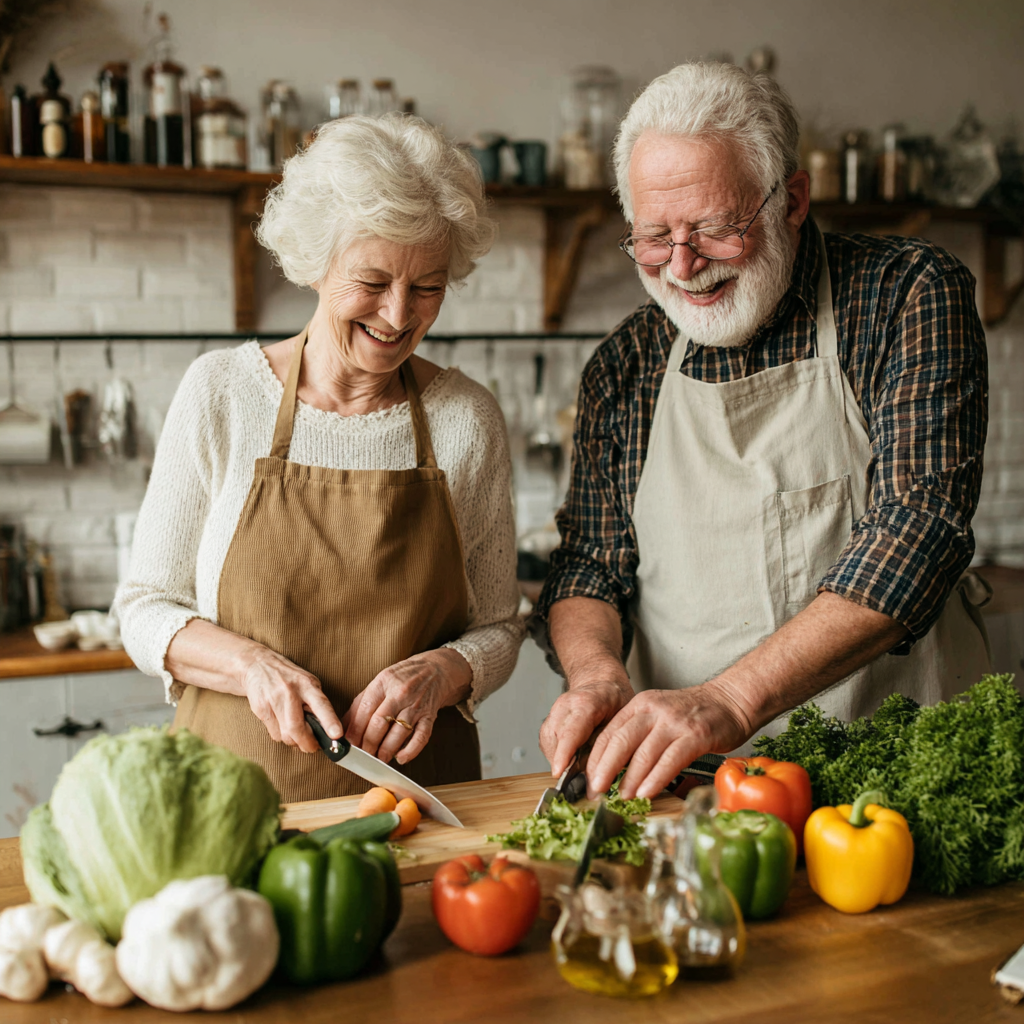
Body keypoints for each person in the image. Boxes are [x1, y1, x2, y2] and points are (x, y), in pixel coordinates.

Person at [535, 62, 990, 801]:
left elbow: (918, 530)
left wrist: (727, 702)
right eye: (653, 237)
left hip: (898, 778)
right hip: (694, 786)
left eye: (713, 230)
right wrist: (596, 676)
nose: (682, 267)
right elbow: (591, 565)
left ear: (792, 200)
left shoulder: (907, 294)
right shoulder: (625, 364)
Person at [115, 113, 524, 802]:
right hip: (236, 796)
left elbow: (501, 627)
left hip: (414, 800)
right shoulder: (221, 395)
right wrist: (250, 667)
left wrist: (444, 671)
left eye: (428, 286)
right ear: (315, 262)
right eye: (372, 280)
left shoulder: (466, 419)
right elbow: (145, 608)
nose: (399, 315)